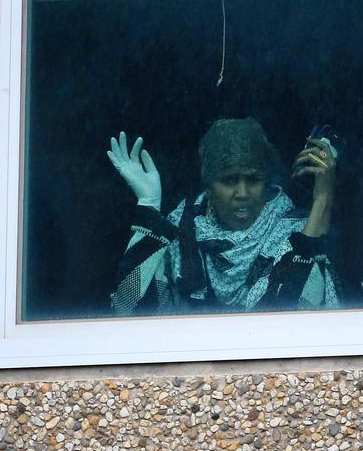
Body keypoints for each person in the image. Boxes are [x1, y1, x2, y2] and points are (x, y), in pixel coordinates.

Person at [106, 118, 340, 315]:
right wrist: (149, 206)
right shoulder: (182, 229)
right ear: (208, 187)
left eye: (253, 180)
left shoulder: (297, 233)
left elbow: (291, 325)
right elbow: (127, 311)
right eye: (229, 180)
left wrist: (322, 200)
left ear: (266, 183)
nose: (242, 193)